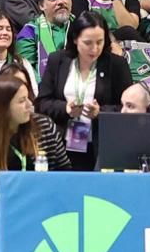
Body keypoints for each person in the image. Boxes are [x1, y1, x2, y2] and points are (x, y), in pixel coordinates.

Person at [35, 11, 133, 172]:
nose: (94, 49)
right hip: (61, 144)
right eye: (88, 43)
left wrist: (100, 112)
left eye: (99, 42)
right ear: (75, 39)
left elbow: (127, 107)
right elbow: (42, 103)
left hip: (101, 144)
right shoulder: (57, 61)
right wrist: (65, 108)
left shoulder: (116, 65)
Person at [0, 74, 70, 188]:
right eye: (22, 101)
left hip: (42, 199)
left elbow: (64, 171)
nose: (29, 105)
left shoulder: (45, 126)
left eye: (28, 98)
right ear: (3, 107)